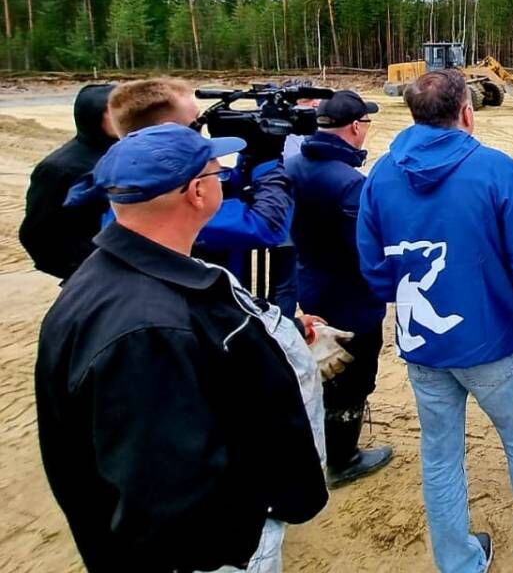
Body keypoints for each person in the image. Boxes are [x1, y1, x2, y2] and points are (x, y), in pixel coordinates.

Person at [35, 124, 333, 572]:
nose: (226, 179)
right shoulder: (149, 331)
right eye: (218, 172)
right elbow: (170, 491)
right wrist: (255, 515)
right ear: (197, 192)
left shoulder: (115, 277)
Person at [358, 70, 513, 573]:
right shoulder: (495, 169)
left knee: (440, 456)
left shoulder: (380, 174)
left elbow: (373, 264)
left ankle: (458, 561)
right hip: (492, 342)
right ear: (466, 111)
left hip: (423, 348)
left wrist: (397, 297)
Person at [286, 89, 394, 488]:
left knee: (319, 372)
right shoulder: (349, 183)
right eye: (365, 122)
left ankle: (318, 447)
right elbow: (364, 250)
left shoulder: (293, 166)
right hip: (351, 299)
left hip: (309, 286)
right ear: (354, 127)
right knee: (353, 378)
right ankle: (344, 458)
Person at [92, 78, 294, 279]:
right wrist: (269, 159)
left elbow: (229, 183)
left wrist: (253, 149)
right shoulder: (168, 200)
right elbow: (266, 225)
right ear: (166, 132)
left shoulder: (132, 178)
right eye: (196, 124)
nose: (201, 132)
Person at [19, 83, 117, 280]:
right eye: (116, 110)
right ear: (93, 115)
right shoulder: (59, 168)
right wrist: (82, 269)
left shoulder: (130, 153)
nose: (127, 115)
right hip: (94, 270)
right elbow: (37, 233)